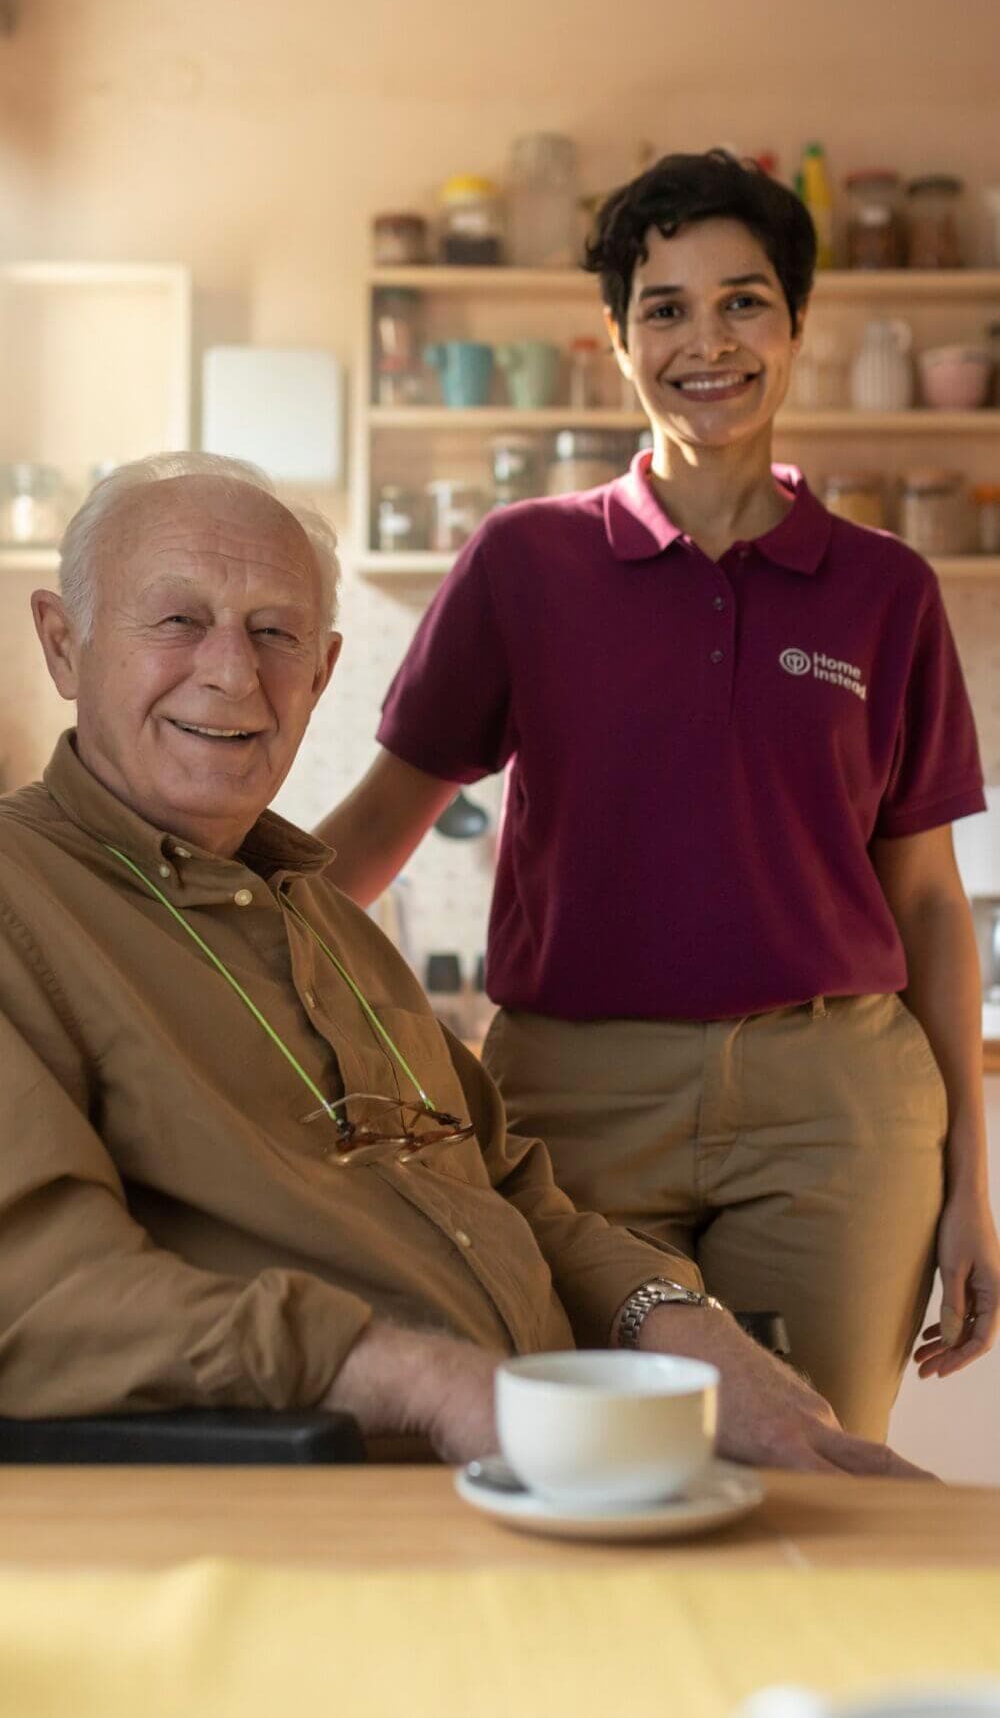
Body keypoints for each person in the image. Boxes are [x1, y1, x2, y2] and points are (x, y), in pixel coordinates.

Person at [0, 449, 926, 1479]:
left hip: (551, 1472)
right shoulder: (18, 901)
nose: (232, 671)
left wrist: (686, 1329)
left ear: (321, 673)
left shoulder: (329, 922)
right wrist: (427, 1382)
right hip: (344, 1511)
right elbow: (43, 1298)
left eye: (276, 634)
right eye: (177, 620)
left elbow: (511, 1188)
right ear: (62, 642)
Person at [317, 151, 1000, 1443]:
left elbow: (925, 898)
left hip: (835, 1109)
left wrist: (975, 1177)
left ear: (797, 327)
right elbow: (376, 827)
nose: (707, 341)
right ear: (617, 340)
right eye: (666, 307)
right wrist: (191, 945)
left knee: (815, 1471)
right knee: (590, 1461)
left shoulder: (884, 587)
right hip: (571, 1101)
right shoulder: (525, 560)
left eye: (743, 302)